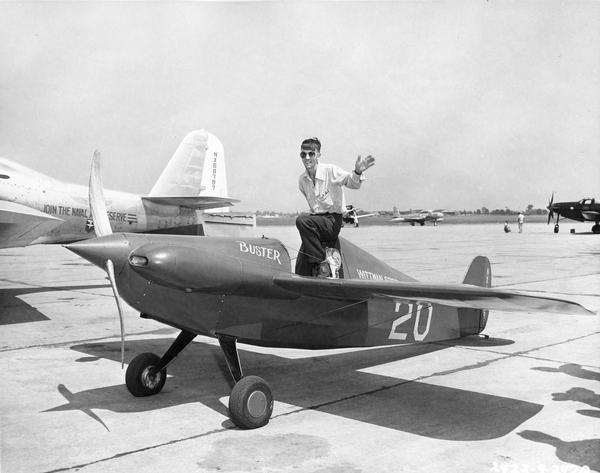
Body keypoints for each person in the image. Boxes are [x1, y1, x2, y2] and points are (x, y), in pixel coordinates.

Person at [295, 137, 375, 277]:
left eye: (311, 154)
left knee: (302, 220)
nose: (307, 158)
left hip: (332, 221)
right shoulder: (302, 180)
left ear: (318, 154)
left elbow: (352, 183)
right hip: (317, 223)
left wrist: (357, 172)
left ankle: (322, 264)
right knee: (301, 268)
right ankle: (314, 271)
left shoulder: (330, 170)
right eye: (303, 154)